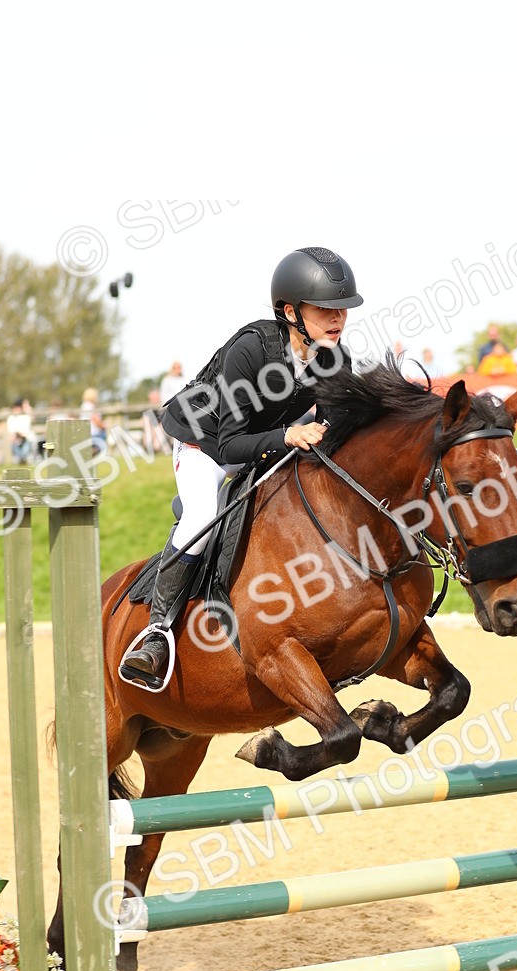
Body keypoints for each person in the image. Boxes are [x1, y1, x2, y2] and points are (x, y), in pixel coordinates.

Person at [120, 246, 363, 689]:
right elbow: (231, 447)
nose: (338, 319)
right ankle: (155, 632)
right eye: (326, 309)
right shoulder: (252, 349)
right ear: (290, 311)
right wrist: (290, 435)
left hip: (264, 441)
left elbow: (331, 428)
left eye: (342, 310)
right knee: (202, 517)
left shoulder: (334, 358)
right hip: (205, 443)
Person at [142, 388, 171, 455]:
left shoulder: (164, 407)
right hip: (153, 432)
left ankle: (153, 450)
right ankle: (150, 449)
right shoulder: (148, 410)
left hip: (163, 430)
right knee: (151, 428)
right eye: (152, 398)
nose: (154, 400)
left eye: (156, 398)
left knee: (159, 429)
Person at [80, 387, 107, 454]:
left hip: (85, 432)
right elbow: (95, 420)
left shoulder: (83, 406)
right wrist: (103, 425)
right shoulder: (91, 406)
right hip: (93, 433)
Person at [6, 398, 34, 464]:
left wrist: (26, 405)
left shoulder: (25, 417)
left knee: (26, 444)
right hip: (16, 440)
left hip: (25, 439)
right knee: (14, 443)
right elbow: (12, 432)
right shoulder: (11, 418)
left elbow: (25, 432)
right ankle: (21, 459)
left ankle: (22, 459)